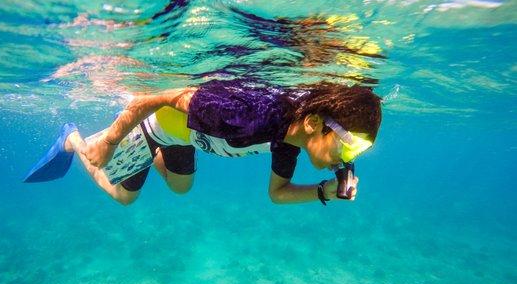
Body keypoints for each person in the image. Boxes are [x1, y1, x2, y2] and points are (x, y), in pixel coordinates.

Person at [24, 80, 382, 206]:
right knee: (123, 197)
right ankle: (71, 137)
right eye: (348, 148)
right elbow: (156, 96)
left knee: (180, 189)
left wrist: (325, 190)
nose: (347, 160)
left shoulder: (291, 141)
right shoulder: (245, 117)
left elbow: (278, 193)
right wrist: (113, 141)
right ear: (314, 123)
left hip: (188, 136)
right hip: (156, 124)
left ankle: (147, 157)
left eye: (358, 152)